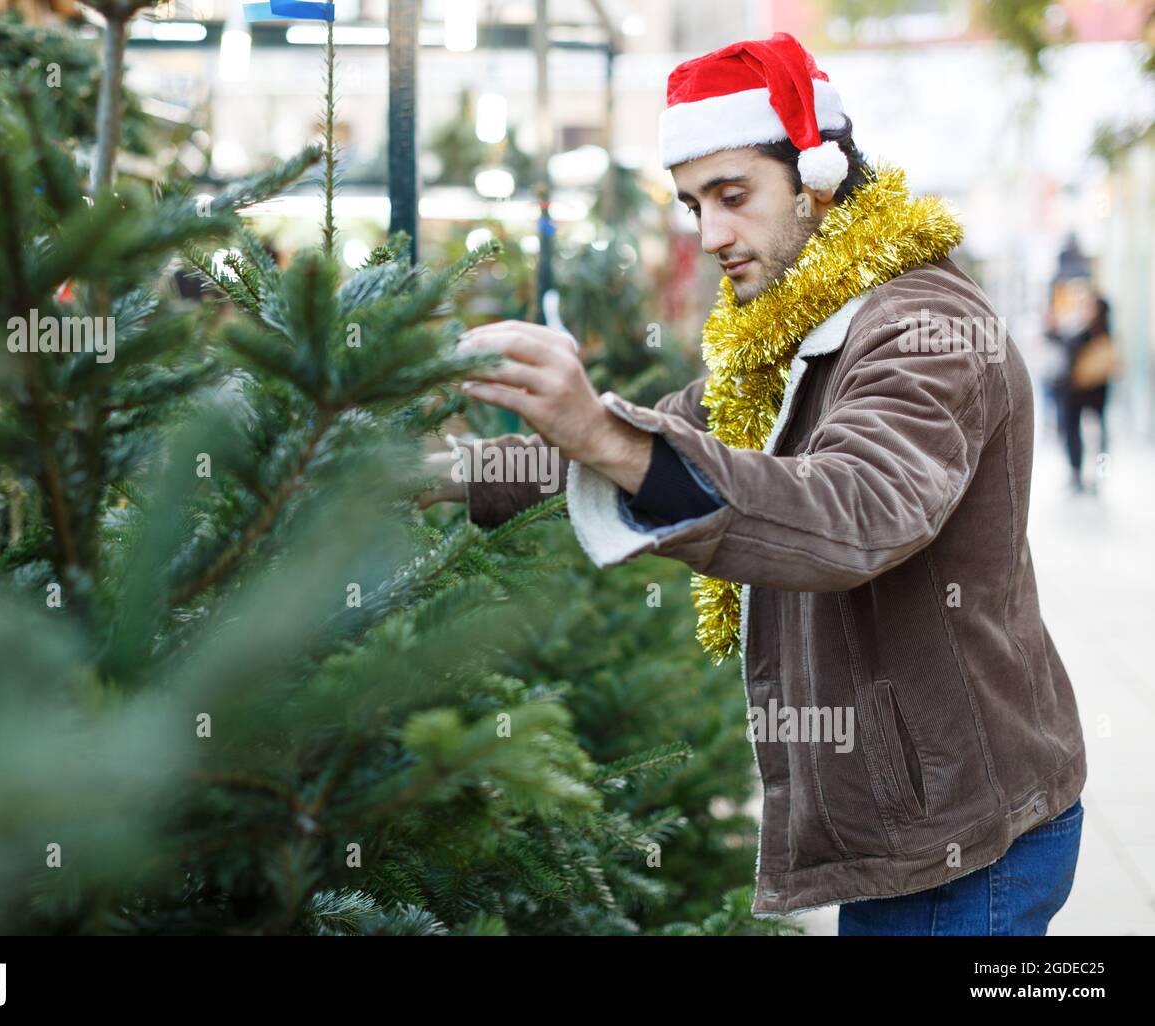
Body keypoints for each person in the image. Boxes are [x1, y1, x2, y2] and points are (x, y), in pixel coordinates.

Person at [420, 32, 1086, 936]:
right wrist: (427, 476)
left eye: (734, 197)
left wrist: (602, 431)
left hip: (966, 843)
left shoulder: (925, 323)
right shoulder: (790, 330)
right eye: (695, 204)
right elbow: (655, 437)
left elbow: (857, 510)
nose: (712, 234)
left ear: (818, 175)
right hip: (912, 828)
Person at [1051, 288, 1118, 493]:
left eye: (1089, 306)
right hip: (1090, 393)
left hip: (1080, 392)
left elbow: (1069, 351)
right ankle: (1095, 474)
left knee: (1080, 432)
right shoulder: (1105, 334)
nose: (1085, 309)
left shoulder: (1091, 333)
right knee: (1096, 435)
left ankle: (1081, 474)